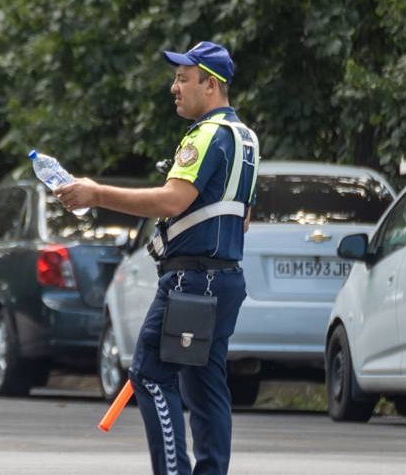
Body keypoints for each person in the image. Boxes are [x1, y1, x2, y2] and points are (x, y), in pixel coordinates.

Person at [55, 41, 259, 475]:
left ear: (211, 84)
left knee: (149, 375)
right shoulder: (246, 138)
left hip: (191, 282)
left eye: (183, 79)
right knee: (206, 386)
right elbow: (243, 219)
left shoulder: (205, 136)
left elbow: (171, 200)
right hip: (225, 281)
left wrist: (96, 193)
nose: (174, 87)